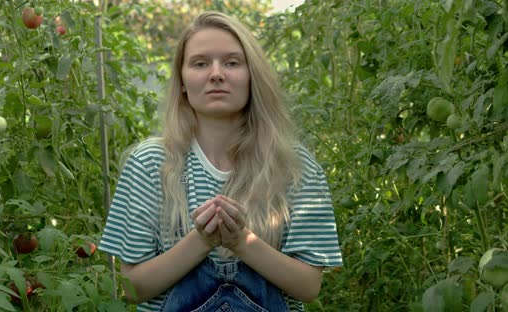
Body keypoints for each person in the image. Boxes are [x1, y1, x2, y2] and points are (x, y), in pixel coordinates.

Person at [98, 11, 343, 312]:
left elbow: (308, 286)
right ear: (183, 82)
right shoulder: (150, 163)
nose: (216, 73)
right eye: (200, 63)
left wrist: (241, 242)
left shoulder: (293, 166)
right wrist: (202, 241)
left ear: (253, 77)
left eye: (231, 62)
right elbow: (132, 288)